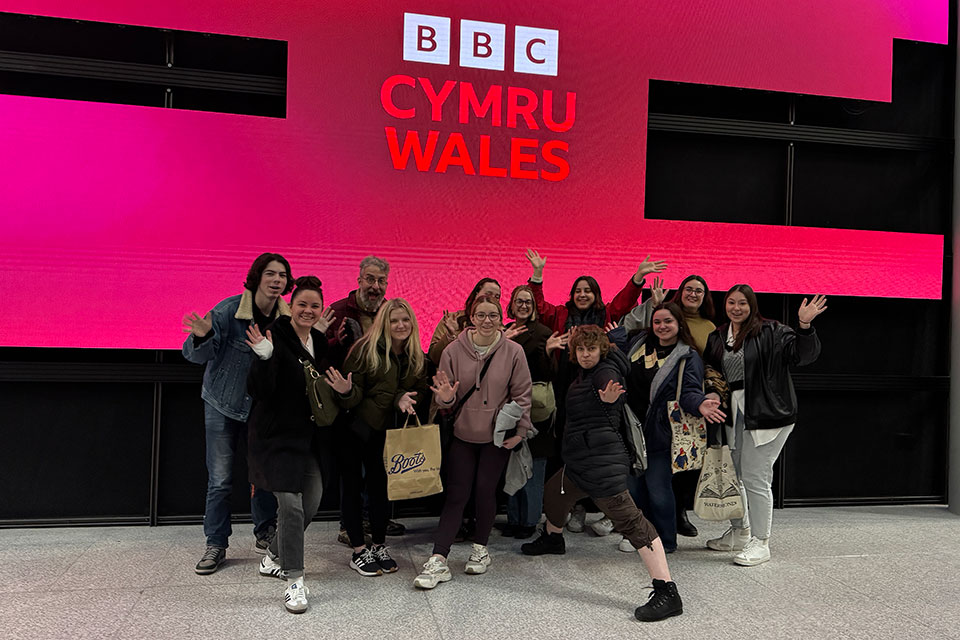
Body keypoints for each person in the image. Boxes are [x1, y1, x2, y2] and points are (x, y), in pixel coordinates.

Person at [520, 325, 684, 622]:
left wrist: (610, 399)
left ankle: (667, 591)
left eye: (591, 349)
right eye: (581, 349)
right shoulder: (585, 373)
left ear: (602, 350)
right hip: (581, 461)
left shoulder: (604, 373)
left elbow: (612, 392)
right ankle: (553, 538)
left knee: (632, 522)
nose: (585, 355)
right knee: (555, 492)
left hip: (601, 465)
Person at [524, 249, 666, 536]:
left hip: (599, 392)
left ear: (595, 294)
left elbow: (624, 302)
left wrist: (638, 277)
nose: (582, 294)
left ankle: (603, 508)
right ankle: (573, 508)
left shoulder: (605, 314)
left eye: (588, 290)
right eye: (578, 290)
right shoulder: (560, 315)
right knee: (570, 450)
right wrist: (537, 275)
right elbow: (540, 306)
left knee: (598, 452)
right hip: (567, 391)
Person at [181, 252, 291, 575]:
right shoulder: (229, 310)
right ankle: (216, 544)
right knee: (220, 480)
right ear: (256, 277)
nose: (276, 280)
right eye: (270, 273)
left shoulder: (285, 320)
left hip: (262, 409)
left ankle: (264, 533)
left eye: (282, 275)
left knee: (264, 478)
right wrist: (203, 334)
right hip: (221, 405)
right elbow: (194, 355)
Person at [414, 294, 532, 589]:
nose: (487, 321)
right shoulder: (453, 350)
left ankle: (481, 549)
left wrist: (520, 432)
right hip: (462, 434)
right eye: (481, 315)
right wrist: (445, 399)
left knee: (484, 491)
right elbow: (446, 397)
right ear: (471, 317)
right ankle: (439, 559)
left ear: (501, 318)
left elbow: (523, 395)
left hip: (497, 437)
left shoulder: (514, 351)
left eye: (493, 315)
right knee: (457, 493)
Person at [702, 285, 826, 566]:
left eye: (743, 303)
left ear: (752, 305)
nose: (736, 308)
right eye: (731, 302)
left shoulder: (774, 331)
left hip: (768, 413)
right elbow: (710, 369)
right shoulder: (718, 335)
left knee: (756, 477)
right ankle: (739, 531)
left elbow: (802, 356)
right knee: (733, 474)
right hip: (731, 413)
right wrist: (710, 391)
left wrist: (804, 326)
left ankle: (761, 541)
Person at [244, 276, 337, 613]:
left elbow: (322, 387)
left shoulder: (319, 342)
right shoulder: (274, 336)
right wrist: (264, 358)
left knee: (311, 502)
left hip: (308, 438)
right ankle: (294, 581)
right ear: (291, 306)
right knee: (291, 506)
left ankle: (273, 556)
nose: (308, 310)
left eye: (314, 305)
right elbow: (259, 391)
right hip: (275, 437)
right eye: (302, 304)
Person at [611, 303, 725, 553]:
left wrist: (702, 404)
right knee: (634, 488)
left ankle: (666, 541)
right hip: (631, 429)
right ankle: (641, 535)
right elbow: (619, 366)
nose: (662, 326)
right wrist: (616, 338)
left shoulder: (687, 355)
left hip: (662, 432)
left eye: (668, 321)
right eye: (657, 322)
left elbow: (690, 391)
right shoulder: (639, 344)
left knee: (658, 489)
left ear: (679, 324)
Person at [335, 298, 430, 576]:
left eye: (405, 319)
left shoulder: (415, 356)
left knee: (380, 490)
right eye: (394, 320)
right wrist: (393, 397)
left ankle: (378, 545)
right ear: (383, 324)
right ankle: (357, 551)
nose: (400, 325)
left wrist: (408, 397)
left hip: (386, 434)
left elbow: (421, 388)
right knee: (352, 489)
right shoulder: (365, 350)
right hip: (354, 429)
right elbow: (352, 398)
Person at [324, 256, 406, 543]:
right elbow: (319, 356)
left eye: (382, 281)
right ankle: (350, 525)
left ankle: (376, 519)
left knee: (378, 470)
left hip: (380, 407)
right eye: (370, 279)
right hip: (346, 405)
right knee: (351, 473)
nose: (376, 286)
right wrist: (338, 342)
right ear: (359, 280)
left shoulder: (389, 311)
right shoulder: (337, 311)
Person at [501, 284, 563, 538]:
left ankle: (529, 522)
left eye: (528, 301)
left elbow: (551, 375)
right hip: (507, 409)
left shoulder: (544, 333)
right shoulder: (503, 331)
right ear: (511, 305)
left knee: (533, 472)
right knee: (513, 468)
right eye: (519, 301)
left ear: (535, 307)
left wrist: (548, 352)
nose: (524, 305)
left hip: (535, 412)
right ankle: (514, 519)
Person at [428, 278, 501, 366]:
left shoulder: (500, 329)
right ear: (476, 294)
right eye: (488, 294)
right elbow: (433, 357)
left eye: (497, 297)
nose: (492, 299)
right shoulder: (451, 319)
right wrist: (449, 336)